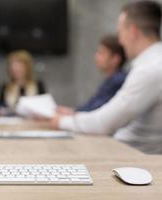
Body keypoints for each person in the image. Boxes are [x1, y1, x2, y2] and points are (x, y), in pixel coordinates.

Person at [52, 1, 162, 154]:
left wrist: (62, 121)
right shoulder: (152, 64)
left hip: (132, 157)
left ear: (133, 31)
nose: (120, 41)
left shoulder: (150, 69)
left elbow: (104, 123)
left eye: (121, 31)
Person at [57, 34, 127, 115]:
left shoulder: (117, 81)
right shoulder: (111, 79)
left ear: (115, 59)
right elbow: (92, 104)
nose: (96, 57)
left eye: (101, 53)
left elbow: (97, 109)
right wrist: (74, 111)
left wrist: (73, 113)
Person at [0, 50, 46, 116]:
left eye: (19, 65)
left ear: (27, 67)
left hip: (33, 123)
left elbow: (45, 107)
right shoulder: (4, 87)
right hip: (9, 122)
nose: (15, 69)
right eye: (12, 65)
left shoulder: (38, 85)